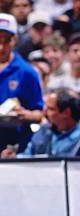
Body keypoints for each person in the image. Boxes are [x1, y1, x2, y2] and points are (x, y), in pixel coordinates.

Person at [1, 88, 80, 158]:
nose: (45, 112)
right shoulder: (43, 131)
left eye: (51, 109)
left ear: (66, 112)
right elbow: (28, 156)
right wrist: (14, 158)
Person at [0, 13, 44, 152]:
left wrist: (25, 114)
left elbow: (39, 114)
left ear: (15, 40)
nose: (1, 47)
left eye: (6, 40)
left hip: (14, 143)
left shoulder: (27, 72)